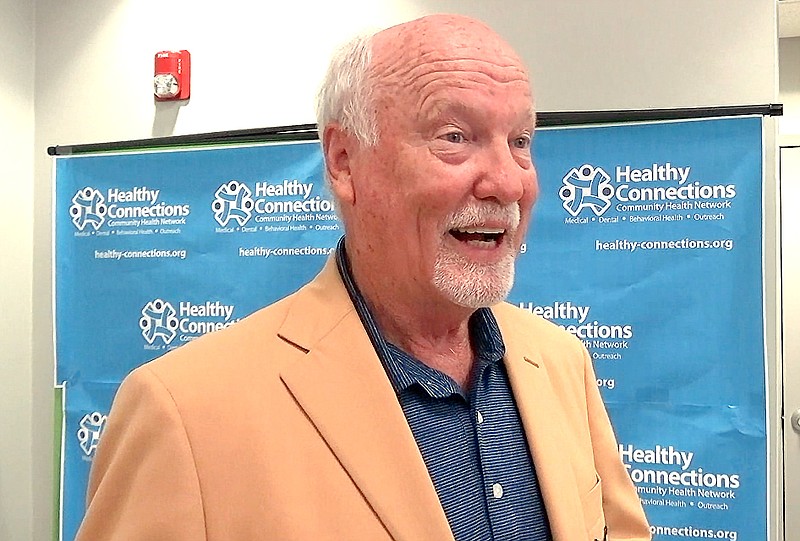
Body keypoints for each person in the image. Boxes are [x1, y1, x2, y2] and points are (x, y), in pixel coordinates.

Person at [77, 13, 651, 541]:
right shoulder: (184, 412)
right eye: (455, 137)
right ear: (344, 161)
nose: (508, 182)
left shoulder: (560, 362)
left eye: (520, 141)